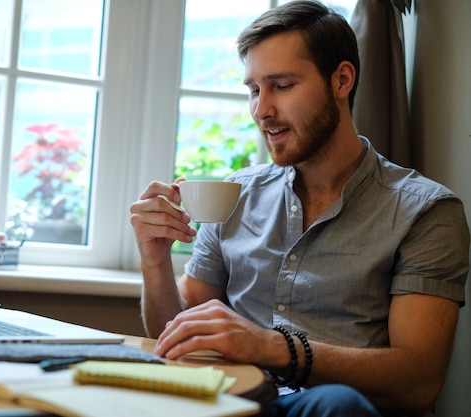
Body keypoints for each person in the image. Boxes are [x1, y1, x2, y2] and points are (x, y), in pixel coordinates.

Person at [129, 1, 469, 416]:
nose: (261, 110)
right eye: (254, 90)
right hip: (232, 403)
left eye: (282, 86)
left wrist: (271, 347)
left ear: (342, 80)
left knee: (337, 405)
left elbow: (419, 382)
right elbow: (176, 334)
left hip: (335, 409)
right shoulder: (234, 195)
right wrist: (155, 261)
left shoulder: (425, 212)